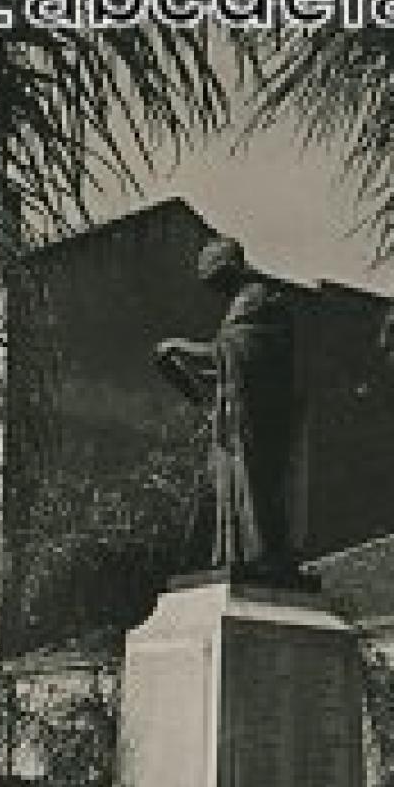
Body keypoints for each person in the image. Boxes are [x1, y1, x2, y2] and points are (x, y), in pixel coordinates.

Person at [155, 236, 299, 574]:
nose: (217, 292)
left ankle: (257, 556)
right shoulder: (244, 301)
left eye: (219, 282)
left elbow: (233, 352)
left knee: (253, 483)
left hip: (255, 419)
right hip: (236, 416)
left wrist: (178, 346)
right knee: (225, 484)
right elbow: (227, 361)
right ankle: (235, 555)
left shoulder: (256, 299)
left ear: (233, 269)